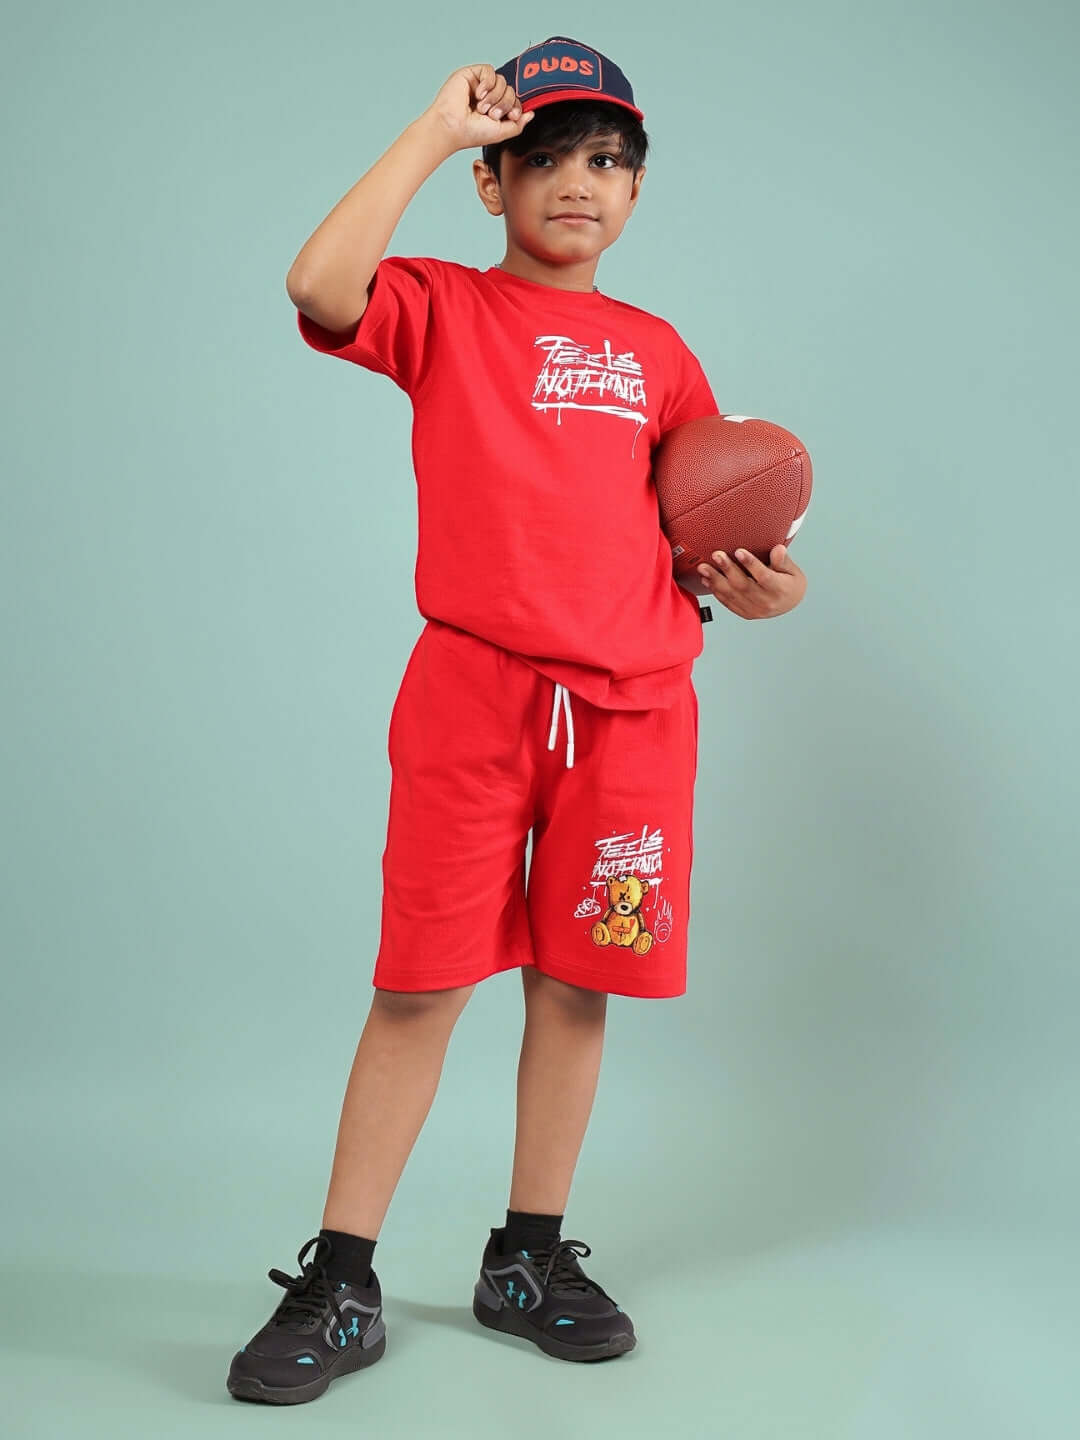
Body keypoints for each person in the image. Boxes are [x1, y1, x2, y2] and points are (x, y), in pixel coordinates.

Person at [227, 34, 807, 1404]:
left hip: (637, 710)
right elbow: (318, 283)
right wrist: (431, 132)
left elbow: (701, 522)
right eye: (543, 157)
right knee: (421, 980)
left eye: (607, 161)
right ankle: (342, 1276)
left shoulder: (660, 354)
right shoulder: (440, 306)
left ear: (638, 191)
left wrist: (763, 584)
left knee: (579, 977)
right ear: (493, 187)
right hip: (476, 697)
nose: (578, 182)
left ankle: (527, 1259)